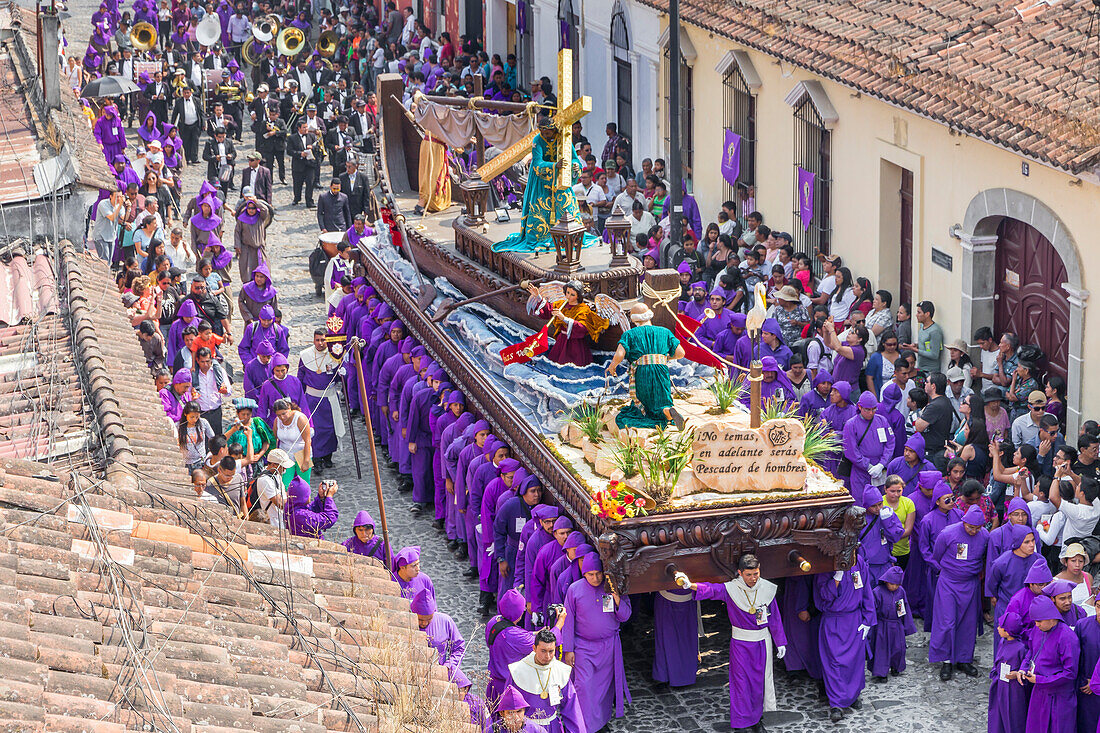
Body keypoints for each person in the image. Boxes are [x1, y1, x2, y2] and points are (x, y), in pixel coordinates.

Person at [687, 554, 787, 732]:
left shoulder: (766, 588)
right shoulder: (731, 589)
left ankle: (756, 721)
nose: (753, 578)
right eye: (748, 575)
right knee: (741, 684)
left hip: (762, 643)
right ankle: (742, 724)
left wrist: (780, 642)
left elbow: (775, 618)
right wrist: (691, 585)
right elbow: (711, 590)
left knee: (758, 684)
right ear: (740, 573)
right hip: (741, 644)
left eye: (756, 573)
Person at [495, 114, 599, 253]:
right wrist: (555, 165)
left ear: (554, 130)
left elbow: (574, 159)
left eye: (548, 133)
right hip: (542, 182)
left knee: (567, 209)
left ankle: (569, 236)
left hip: (561, 183)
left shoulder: (565, 139)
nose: (545, 135)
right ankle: (540, 237)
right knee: (540, 212)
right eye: (543, 133)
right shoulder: (538, 140)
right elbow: (537, 163)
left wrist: (575, 166)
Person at [562, 554, 630, 732]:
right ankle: (584, 725)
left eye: (598, 573)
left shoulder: (613, 587)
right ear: (584, 573)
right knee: (584, 686)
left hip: (608, 647)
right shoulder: (574, 590)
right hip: (583, 647)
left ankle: (600, 722)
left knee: (603, 689)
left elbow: (625, 616)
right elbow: (567, 622)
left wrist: (617, 600)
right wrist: (568, 650)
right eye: (590, 574)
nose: (595, 578)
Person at [813, 554, 876, 722]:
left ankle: (853, 695)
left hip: (854, 619)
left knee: (854, 661)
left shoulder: (860, 562)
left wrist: (868, 619)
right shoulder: (825, 565)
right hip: (834, 619)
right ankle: (836, 704)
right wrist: (836, 578)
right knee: (833, 662)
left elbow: (866, 591)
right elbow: (823, 595)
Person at [930, 505, 989, 680]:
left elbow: (985, 558)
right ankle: (946, 660)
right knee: (947, 621)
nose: (973, 531)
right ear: (964, 521)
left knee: (968, 623)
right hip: (948, 582)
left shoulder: (985, 536)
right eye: (970, 527)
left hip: (970, 584)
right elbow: (937, 555)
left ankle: (964, 659)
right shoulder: (948, 533)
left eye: (977, 528)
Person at [605, 303, 686, 429]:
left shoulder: (630, 334)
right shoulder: (665, 332)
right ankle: (668, 411)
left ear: (634, 319)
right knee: (662, 397)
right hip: (661, 369)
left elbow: (620, 353)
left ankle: (660, 414)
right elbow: (681, 353)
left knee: (644, 403)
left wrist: (612, 366)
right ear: (649, 315)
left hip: (642, 371)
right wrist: (664, 358)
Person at [1017, 595, 1079, 733]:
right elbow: (1031, 652)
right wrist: (1023, 668)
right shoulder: (1038, 629)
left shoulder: (1067, 637)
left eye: (1039, 621)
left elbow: (1070, 673)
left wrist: (1040, 679)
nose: (1036, 625)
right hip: (1039, 693)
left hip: (1059, 697)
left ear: (1051, 617)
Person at [506, 628, 586, 732]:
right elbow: (509, 706)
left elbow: (572, 709)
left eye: (551, 651)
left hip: (553, 727)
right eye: (543, 651)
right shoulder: (518, 671)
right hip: (526, 728)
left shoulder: (561, 671)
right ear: (534, 648)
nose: (547, 656)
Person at [524, 280, 608, 367]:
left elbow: (582, 328)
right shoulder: (561, 304)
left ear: (578, 296)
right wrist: (538, 297)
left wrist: (564, 318)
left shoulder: (583, 309)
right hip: (562, 340)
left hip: (575, 343)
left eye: (572, 295)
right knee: (555, 363)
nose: (568, 296)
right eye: (567, 292)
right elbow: (548, 310)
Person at [298, 329, 344, 474]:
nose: (320, 343)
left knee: (330, 428)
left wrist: (344, 374)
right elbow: (300, 378)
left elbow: (338, 378)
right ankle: (316, 459)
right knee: (314, 430)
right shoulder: (306, 356)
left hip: (329, 398)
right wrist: (300, 400)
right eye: (317, 340)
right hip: (311, 399)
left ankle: (327, 456)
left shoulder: (334, 355)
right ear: (313, 340)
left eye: (323, 340)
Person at [868, 565, 917, 682]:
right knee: (881, 649)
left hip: (896, 625)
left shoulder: (901, 592)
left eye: (897, 584)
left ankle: (896, 667)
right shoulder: (877, 592)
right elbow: (872, 610)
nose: (894, 587)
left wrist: (906, 626)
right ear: (886, 581)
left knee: (898, 648)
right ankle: (881, 673)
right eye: (892, 584)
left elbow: (905, 607)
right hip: (882, 625)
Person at [843, 392, 895, 497]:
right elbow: (851, 451)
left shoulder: (882, 421)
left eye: (874, 409)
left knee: (879, 502)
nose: (871, 413)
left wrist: (881, 465)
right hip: (860, 472)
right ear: (859, 407)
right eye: (867, 410)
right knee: (861, 504)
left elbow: (890, 443)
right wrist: (869, 467)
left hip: (881, 470)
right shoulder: (851, 424)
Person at [988, 610, 1029, 733]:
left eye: (1000, 627)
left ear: (1007, 631)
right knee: (998, 713)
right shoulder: (1002, 641)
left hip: (1013, 689)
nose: (998, 628)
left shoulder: (1020, 648)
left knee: (1013, 716)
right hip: (1000, 683)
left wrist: (1017, 673)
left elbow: (1025, 667)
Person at [859, 487, 904, 585]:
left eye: (880, 504)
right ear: (866, 506)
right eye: (873, 506)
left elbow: (895, 537)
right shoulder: (859, 518)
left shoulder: (887, 513)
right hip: (867, 567)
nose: (878, 508)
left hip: (885, 565)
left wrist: (887, 522)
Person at [271, 396, 312, 487]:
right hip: (285, 454)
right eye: (279, 415)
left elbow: (307, 440)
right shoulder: (277, 421)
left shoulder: (300, 418)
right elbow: (275, 438)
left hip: (301, 452)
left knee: (303, 485)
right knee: (285, 484)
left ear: (289, 408)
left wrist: (306, 460)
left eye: (284, 414)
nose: (282, 417)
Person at [253, 448, 293, 527]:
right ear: (274, 465)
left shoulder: (276, 474)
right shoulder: (265, 480)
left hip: (280, 519)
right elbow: (280, 503)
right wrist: (296, 499)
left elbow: (282, 493)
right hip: (272, 522)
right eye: (282, 466)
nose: (285, 469)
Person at [903, 301, 944, 374]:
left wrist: (916, 350)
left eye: (919, 312)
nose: (916, 315)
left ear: (927, 314)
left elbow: (934, 355)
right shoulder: (922, 326)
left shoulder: (935, 331)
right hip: (920, 368)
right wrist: (916, 345)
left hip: (930, 371)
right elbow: (926, 345)